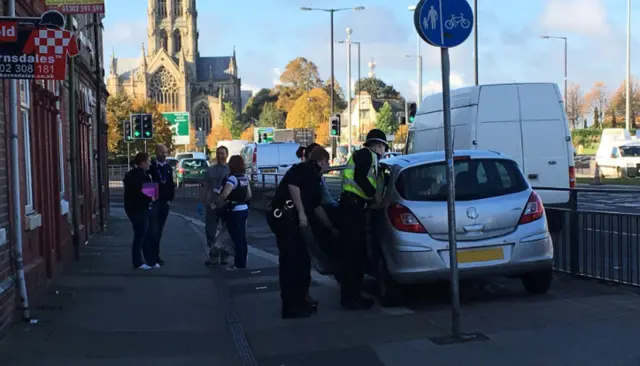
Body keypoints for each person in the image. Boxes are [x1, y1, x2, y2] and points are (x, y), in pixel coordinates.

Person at [266, 147, 339, 319]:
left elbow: (316, 206)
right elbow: (293, 185)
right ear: (321, 161)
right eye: (327, 163)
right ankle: (290, 305)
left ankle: (299, 301)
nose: (327, 166)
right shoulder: (306, 168)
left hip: (288, 220)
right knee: (291, 261)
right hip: (284, 217)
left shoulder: (314, 178)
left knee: (300, 260)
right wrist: (301, 212)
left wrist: (330, 227)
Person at [338, 129, 388, 310]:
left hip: (354, 207)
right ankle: (351, 297)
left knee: (355, 254)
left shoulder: (369, 158)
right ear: (379, 145)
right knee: (353, 255)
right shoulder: (366, 155)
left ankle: (353, 295)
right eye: (384, 147)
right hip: (352, 208)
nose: (385, 152)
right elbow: (360, 177)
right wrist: (374, 196)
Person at [214, 155, 251, 270]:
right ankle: (242, 261)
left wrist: (216, 202)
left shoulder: (232, 179)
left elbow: (225, 194)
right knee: (242, 238)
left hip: (234, 211)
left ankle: (239, 264)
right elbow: (249, 195)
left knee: (236, 238)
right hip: (244, 209)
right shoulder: (244, 178)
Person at [123, 152, 157, 270]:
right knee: (140, 235)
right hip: (138, 209)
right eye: (148, 161)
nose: (149, 164)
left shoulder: (139, 175)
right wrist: (151, 196)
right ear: (142, 163)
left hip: (138, 208)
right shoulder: (139, 176)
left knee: (145, 234)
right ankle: (137, 262)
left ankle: (150, 261)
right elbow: (143, 193)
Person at [148, 144, 175, 266]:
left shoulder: (168, 167)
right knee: (153, 230)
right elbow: (148, 182)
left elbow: (171, 184)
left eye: (166, 152)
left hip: (165, 202)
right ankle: (152, 256)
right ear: (157, 152)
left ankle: (156, 255)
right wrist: (151, 199)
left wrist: (170, 199)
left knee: (159, 230)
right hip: (155, 202)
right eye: (162, 152)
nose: (164, 155)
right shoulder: (152, 166)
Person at [203, 146, 230, 266]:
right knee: (210, 230)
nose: (220, 156)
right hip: (211, 204)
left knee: (225, 231)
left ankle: (224, 254)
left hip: (226, 204)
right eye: (218, 153)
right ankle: (213, 255)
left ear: (227, 155)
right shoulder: (210, 170)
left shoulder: (231, 169)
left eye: (222, 153)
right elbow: (205, 186)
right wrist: (203, 201)